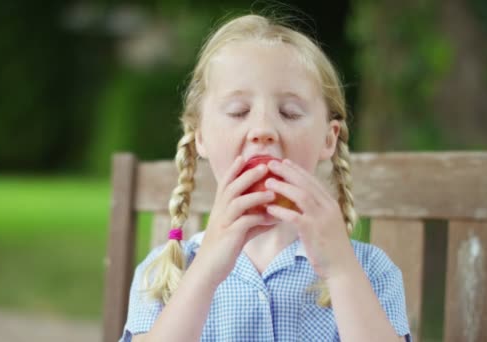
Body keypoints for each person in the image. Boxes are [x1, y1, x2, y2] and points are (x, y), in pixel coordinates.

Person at [120, 12, 411, 342]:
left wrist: (341, 271)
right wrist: (206, 270)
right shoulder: (167, 270)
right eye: (238, 112)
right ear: (200, 135)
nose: (262, 130)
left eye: (289, 112)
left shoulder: (367, 270)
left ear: (328, 139)